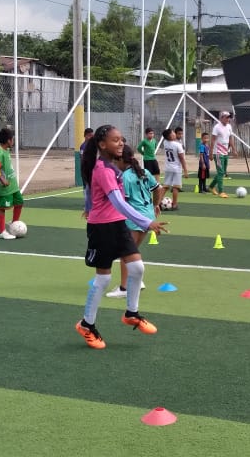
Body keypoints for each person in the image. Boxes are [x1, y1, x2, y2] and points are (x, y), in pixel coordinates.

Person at [77, 125, 168, 349]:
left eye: (121, 139)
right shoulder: (103, 170)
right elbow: (118, 202)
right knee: (103, 279)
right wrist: (146, 222)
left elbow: (102, 197)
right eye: (115, 140)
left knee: (137, 268)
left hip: (118, 225)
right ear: (102, 144)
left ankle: (131, 313)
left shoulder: (113, 168)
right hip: (101, 229)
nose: (121, 143)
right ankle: (86, 325)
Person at [106, 145, 164, 298]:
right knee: (133, 250)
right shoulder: (144, 172)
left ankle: (124, 288)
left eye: (115, 161)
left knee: (126, 253)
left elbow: (122, 202)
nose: (114, 164)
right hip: (148, 216)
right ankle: (138, 281)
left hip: (134, 218)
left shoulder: (124, 177)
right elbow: (158, 189)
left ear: (121, 160)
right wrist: (155, 205)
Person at [0, 127, 24, 240]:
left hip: (13, 185)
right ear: (9, 141)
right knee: (3, 208)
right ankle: (1, 232)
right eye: (12, 139)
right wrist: (2, 179)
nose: (13, 141)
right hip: (5, 187)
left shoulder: (6, 150)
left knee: (19, 202)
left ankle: (14, 223)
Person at [209, 111, 235, 198]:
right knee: (220, 172)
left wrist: (234, 149)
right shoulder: (217, 127)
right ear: (221, 118)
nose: (228, 119)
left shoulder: (229, 126)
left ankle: (211, 187)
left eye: (229, 117)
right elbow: (212, 140)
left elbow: (230, 139)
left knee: (223, 172)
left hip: (225, 152)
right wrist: (211, 153)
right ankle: (221, 191)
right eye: (226, 117)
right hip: (218, 152)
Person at [160, 128, 187, 210]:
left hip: (168, 168)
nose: (174, 134)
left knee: (165, 186)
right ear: (170, 136)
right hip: (176, 169)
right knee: (176, 187)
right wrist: (185, 170)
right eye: (173, 133)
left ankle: (157, 203)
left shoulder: (165, 143)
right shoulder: (177, 145)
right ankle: (174, 204)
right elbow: (182, 158)